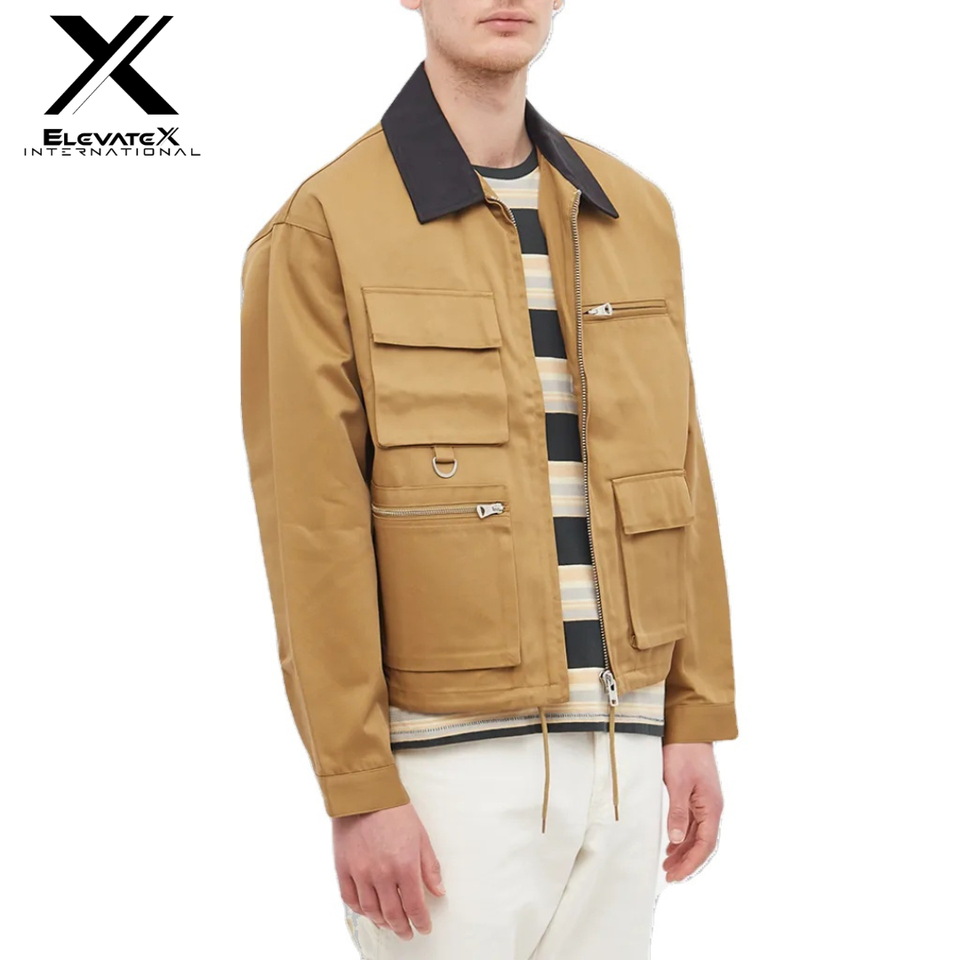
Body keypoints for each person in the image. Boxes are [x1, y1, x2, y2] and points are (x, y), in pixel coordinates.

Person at [239, 2, 738, 957]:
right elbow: (311, 529)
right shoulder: (325, 227)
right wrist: (358, 785)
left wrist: (693, 717)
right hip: (445, 772)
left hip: (629, 750)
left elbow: (683, 476)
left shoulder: (633, 212)